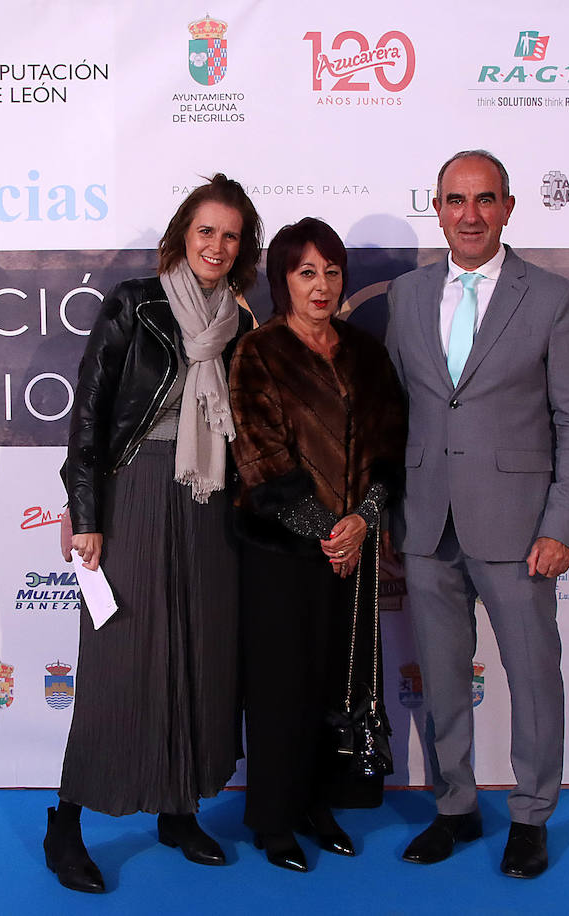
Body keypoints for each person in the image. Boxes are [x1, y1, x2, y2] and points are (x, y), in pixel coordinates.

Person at [385, 150, 569, 878]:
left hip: (520, 528)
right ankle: (456, 806)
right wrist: (386, 514)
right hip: (425, 522)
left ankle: (532, 814)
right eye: (454, 200)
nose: (469, 214)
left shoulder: (551, 298)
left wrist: (561, 524)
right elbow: (396, 415)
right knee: (443, 676)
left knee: (533, 673)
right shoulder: (407, 297)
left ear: (508, 207)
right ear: (437, 208)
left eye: (484, 200)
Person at [46, 174, 263, 893]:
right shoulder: (134, 305)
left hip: (208, 504)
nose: (217, 245)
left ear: (242, 248)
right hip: (135, 491)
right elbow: (89, 415)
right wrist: (87, 517)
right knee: (119, 666)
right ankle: (68, 822)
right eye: (206, 231)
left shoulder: (240, 324)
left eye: (230, 235)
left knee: (199, 660)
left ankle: (178, 809)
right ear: (182, 234)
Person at [228, 217, 406, 872]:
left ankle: (316, 804)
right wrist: (326, 532)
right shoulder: (259, 352)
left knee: (338, 681)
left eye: (331, 271)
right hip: (281, 553)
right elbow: (259, 455)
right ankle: (274, 819)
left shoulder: (365, 352)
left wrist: (364, 519)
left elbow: (391, 445)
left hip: (352, 551)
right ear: (283, 280)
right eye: (307, 272)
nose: (322, 284)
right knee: (280, 686)